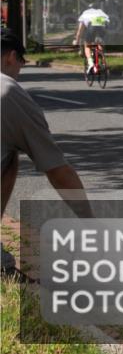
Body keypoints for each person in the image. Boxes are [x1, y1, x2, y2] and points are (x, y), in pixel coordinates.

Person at [2, 28, 94, 273]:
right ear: (11, 57)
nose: (18, 72)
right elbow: (57, 170)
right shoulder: (8, 92)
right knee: (10, 155)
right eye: (20, 64)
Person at [73, 2, 110, 74]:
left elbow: (80, 30)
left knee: (87, 45)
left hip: (91, 27)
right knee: (99, 43)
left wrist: (76, 40)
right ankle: (103, 61)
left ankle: (90, 63)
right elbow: (107, 22)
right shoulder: (101, 12)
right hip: (102, 26)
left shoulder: (85, 13)